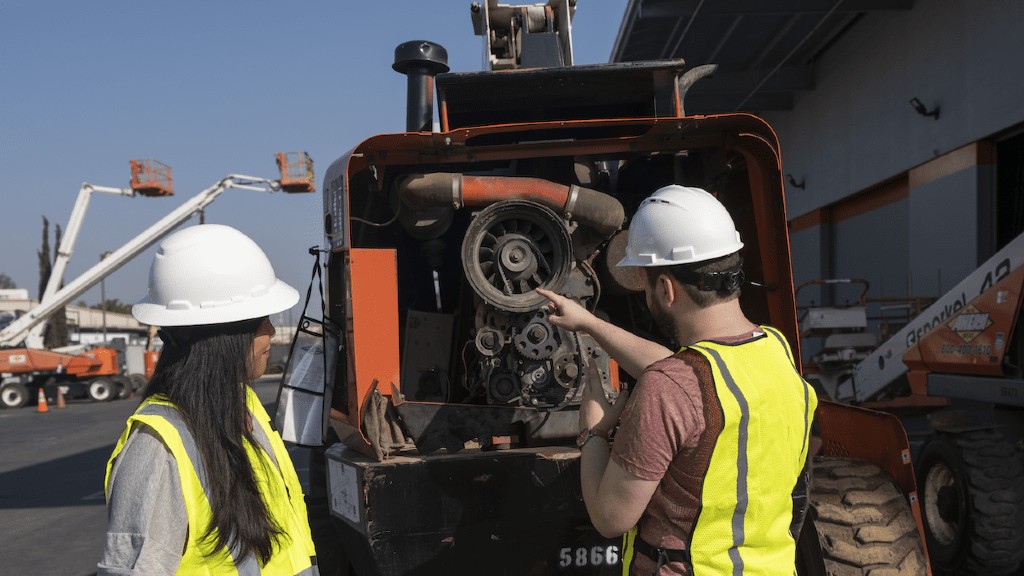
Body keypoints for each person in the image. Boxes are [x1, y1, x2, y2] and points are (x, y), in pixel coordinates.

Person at [537, 185, 817, 576]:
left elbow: (609, 517)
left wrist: (593, 435)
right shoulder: (776, 350)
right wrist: (589, 324)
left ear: (666, 289)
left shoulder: (668, 390)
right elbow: (692, 375)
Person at [98, 224, 320, 576]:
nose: (272, 333)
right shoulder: (157, 448)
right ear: (228, 336)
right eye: (263, 321)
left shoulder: (243, 406)